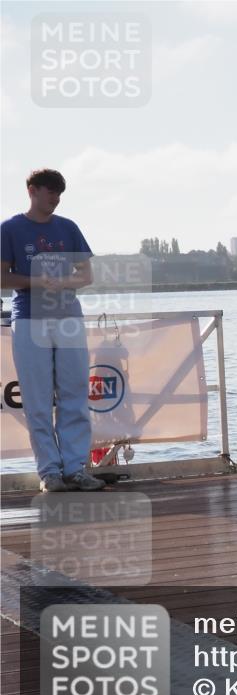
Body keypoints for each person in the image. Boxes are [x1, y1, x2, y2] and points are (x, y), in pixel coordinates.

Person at [0, 169, 104, 492]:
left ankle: (76, 468)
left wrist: (64, 282)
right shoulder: (10, 229)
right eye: (50, 192)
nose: (55, 199)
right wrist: (34, 281)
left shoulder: (68, 228)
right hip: (30, 318)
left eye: (59, 193)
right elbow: (2, 278)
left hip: (68, 317)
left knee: (74, 393)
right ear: (32, 190)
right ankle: (50, 473)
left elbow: (86, 274)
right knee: (37, 399)